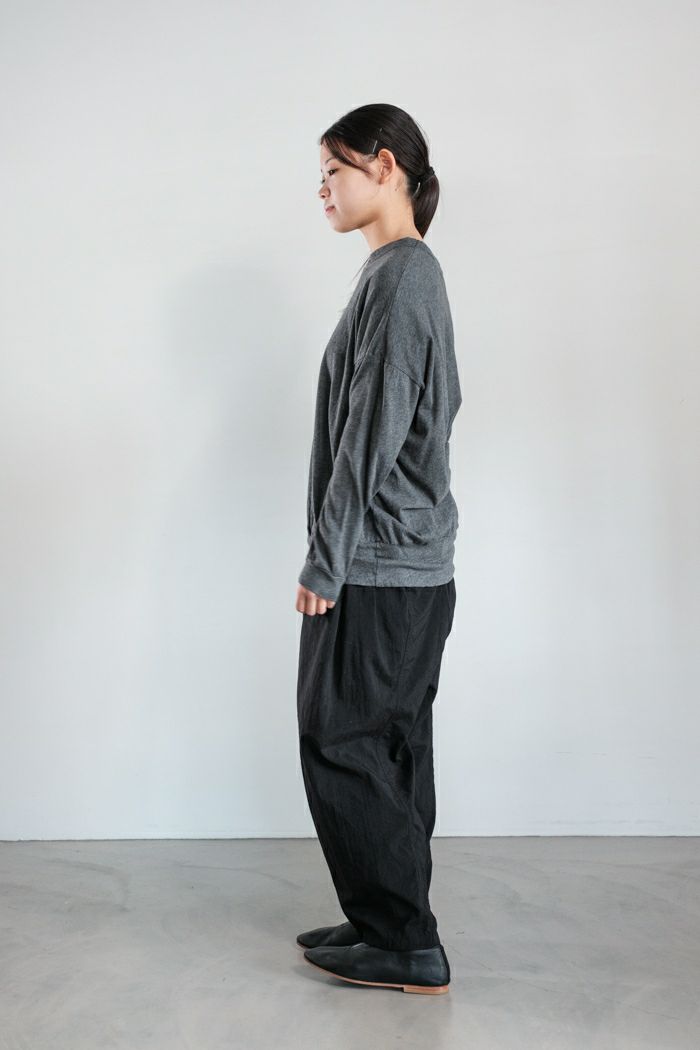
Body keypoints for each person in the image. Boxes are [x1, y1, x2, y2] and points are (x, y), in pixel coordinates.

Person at [295, 103, 461, 995]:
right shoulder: (402, 273)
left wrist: (327, 559)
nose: (322, 189)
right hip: (407, 567)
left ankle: (403, 939)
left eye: (335, 170)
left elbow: (371, 432)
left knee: (342, 737)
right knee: (390, 745)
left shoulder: (401, 277)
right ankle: (387, 920)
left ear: (385, 166)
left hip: (379, 565)